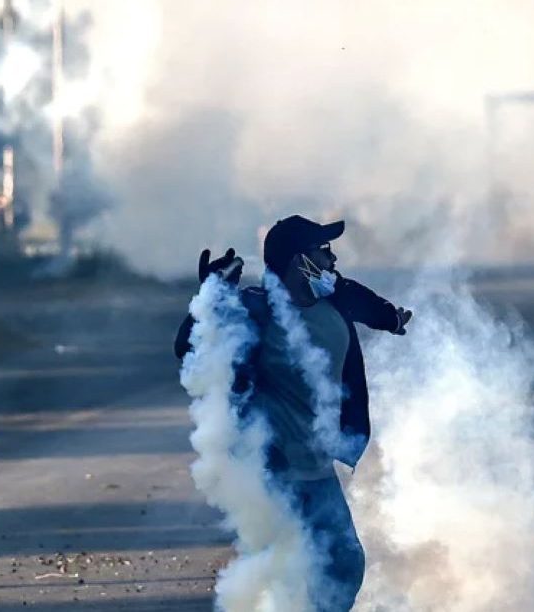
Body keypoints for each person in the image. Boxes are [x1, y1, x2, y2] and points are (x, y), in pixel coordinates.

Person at [174, 215, 414, 612]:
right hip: (275, 469)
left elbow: (369, 305)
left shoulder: (335, 299)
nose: (332, 257)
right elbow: (188, 346)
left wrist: (392, 318)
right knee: (291, 570)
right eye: (322, 250)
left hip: (317, 467)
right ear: (298, 261)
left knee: (345, 564)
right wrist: (211, 293)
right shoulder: (256, 308)